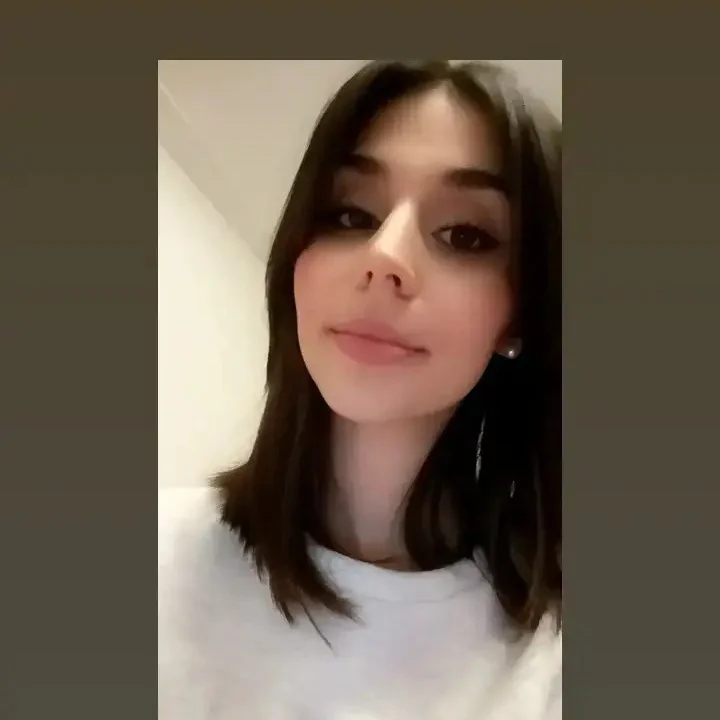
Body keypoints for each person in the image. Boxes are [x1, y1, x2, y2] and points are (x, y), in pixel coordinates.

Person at [158, 59, 562, 719]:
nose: (385, 256)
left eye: (465, 235)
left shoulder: (550, 657)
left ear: (518, 315)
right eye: (350, 214)